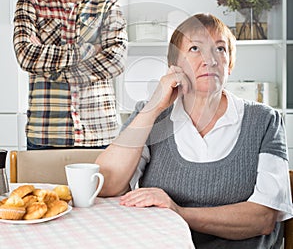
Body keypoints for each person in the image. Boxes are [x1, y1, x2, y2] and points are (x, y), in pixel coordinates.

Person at [96, 13, 293, 248]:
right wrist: (152, 108)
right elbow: (105, 184)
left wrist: (177, 211)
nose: (209, 60)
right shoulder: (151, 114)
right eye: (195, 49)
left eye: (220, 49)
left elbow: (263, 218)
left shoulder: (264, 120)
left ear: (229, 64)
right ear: (175, 66)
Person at [13, 0, 127, 150]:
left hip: (99, 136)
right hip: (46, 136)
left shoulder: (107, 5)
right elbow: (26, 56)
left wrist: (51, 70)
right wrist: (88, 51)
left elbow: (116, 61)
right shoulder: (30, 2)